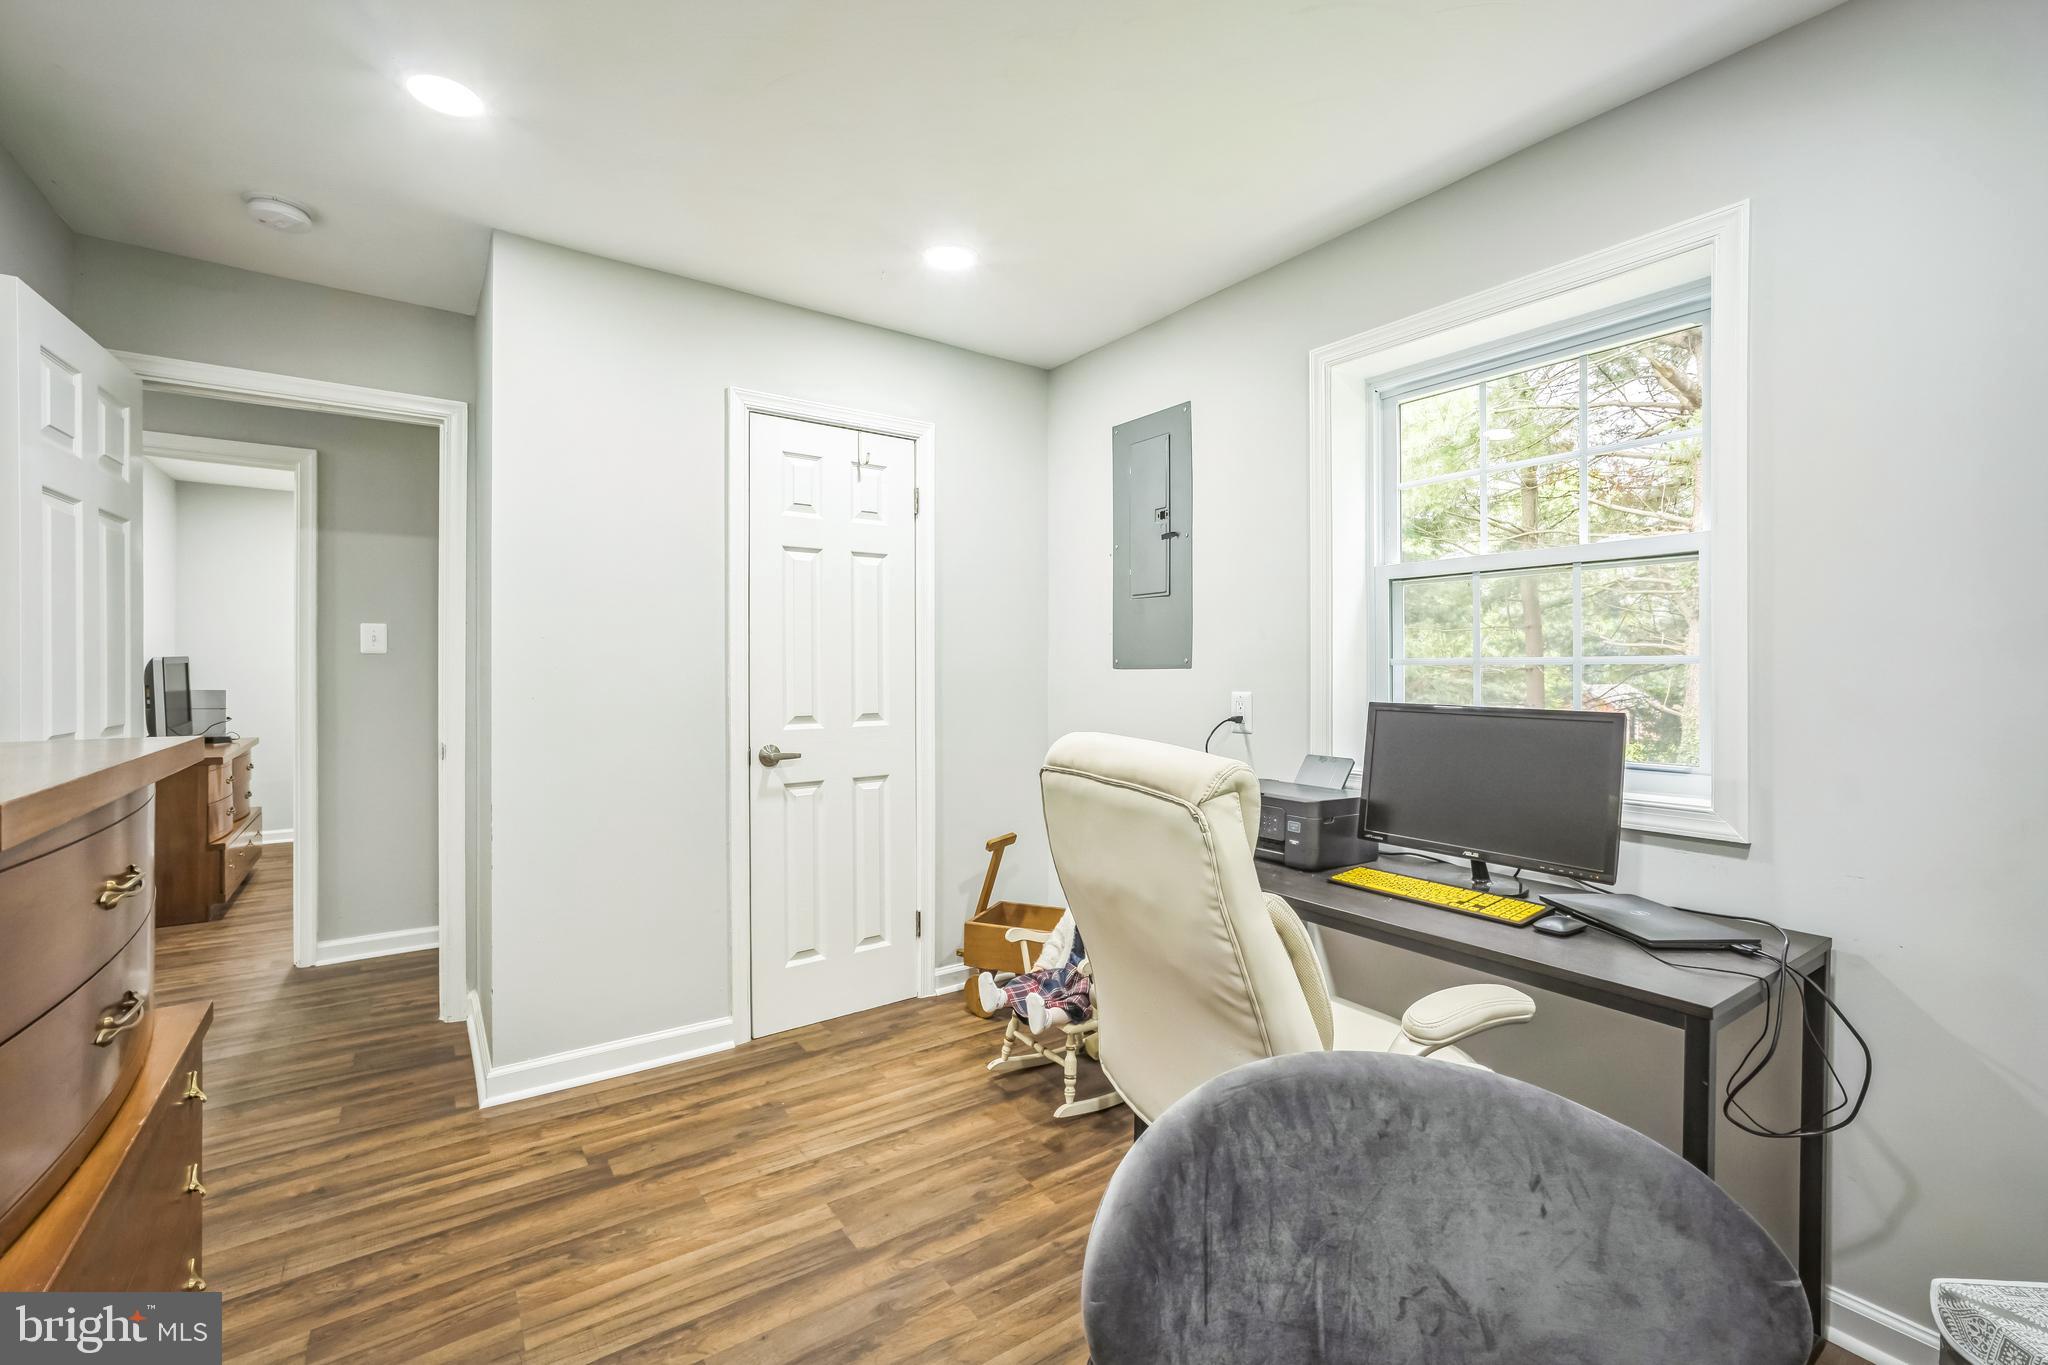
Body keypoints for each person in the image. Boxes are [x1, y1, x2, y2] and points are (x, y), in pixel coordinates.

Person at [971, 909, 1094, 1032]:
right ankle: (999, 997)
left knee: (1076, 1001)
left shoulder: (1106, 914)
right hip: (1064, 970)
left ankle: (1046, 1017)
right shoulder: (1072, 909)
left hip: (1089, 979)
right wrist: (1042, 964)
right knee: (1033, 981)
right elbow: (1056, 940)